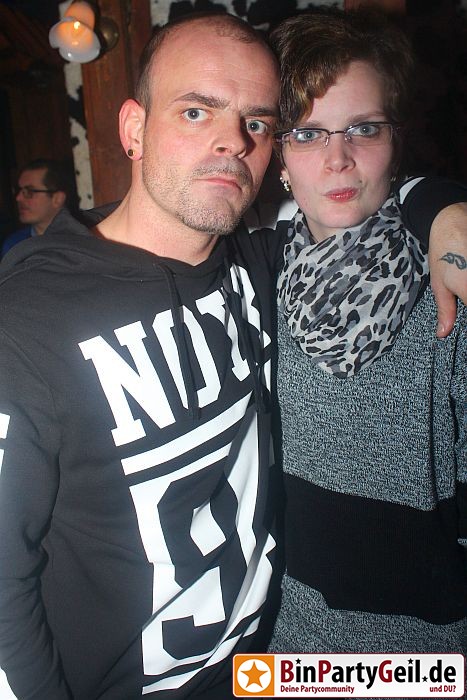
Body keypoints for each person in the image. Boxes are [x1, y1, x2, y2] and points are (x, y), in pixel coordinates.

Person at [0, 11, 465, 700]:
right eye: (196, 112)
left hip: (272, 670)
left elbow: (359, 191)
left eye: (257, 122)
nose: (232, 141)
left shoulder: (261, 263)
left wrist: (441, 207)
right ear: (133, 129)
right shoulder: (29, 318)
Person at [267, 7, 467, 660]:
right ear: (279, 156)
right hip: (279, 649)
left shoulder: (449, 292)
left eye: (364, 128)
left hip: (424, 660)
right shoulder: (253, 274)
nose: (338, 159)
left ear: (395, 140)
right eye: (307, 133)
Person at [1, 159, 70, 256]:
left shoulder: (81, 240)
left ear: (57, 199)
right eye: (18, 190)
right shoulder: (14, 244)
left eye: (29, 192)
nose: (18, 198)